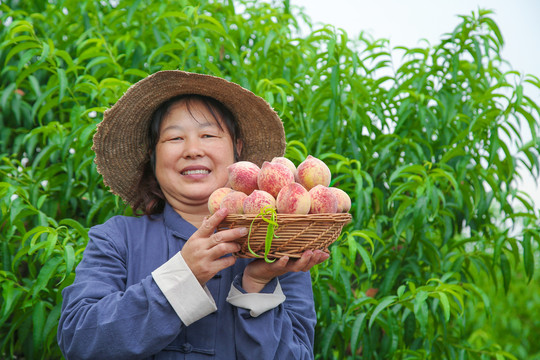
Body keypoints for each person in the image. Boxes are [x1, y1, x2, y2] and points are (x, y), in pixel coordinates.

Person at [57, 70, 330, 359]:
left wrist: (256, 287)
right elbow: (79, 340)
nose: (193, 150)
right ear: (153, 155)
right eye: (174, 138)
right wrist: (183, 277)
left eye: (208, 134)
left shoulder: (278, 245)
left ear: (236, 148)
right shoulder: (117, 239)